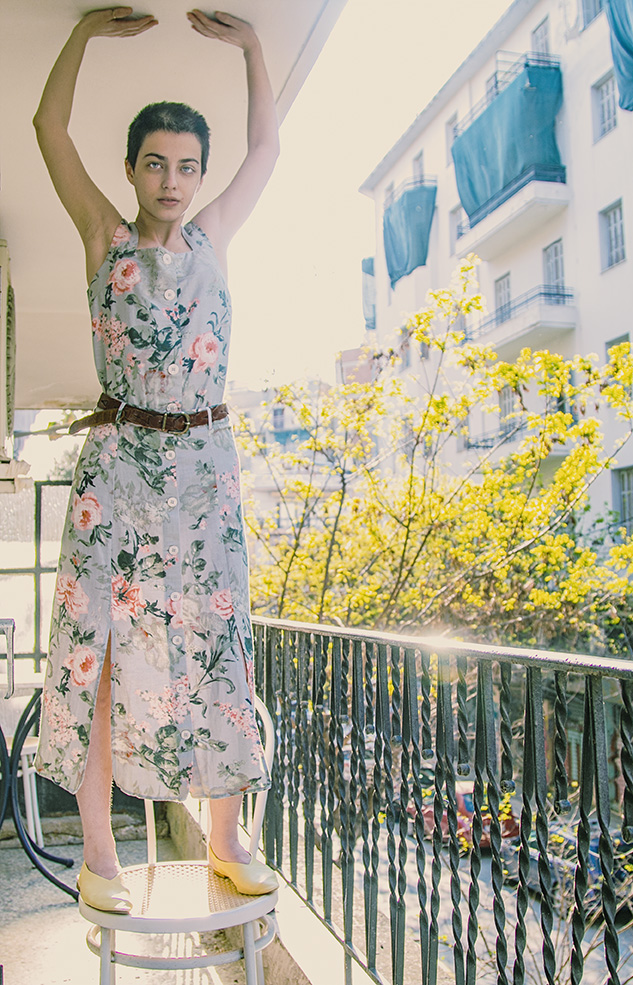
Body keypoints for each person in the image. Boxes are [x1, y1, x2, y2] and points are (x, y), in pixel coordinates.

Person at [33, 6, 280, 913]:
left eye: (186, 166)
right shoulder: (103, 236)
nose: (171, 180)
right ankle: (99, 852)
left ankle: (224, 835)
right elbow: (48, 128)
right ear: (132, 168)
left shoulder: (214, 237)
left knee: (216, 645)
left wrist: (252, 48)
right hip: (120, 466)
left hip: (205, 470)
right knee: (97, 655)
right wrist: (82, 36)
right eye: (154, 163)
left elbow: (267, 149)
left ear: (200, 174)